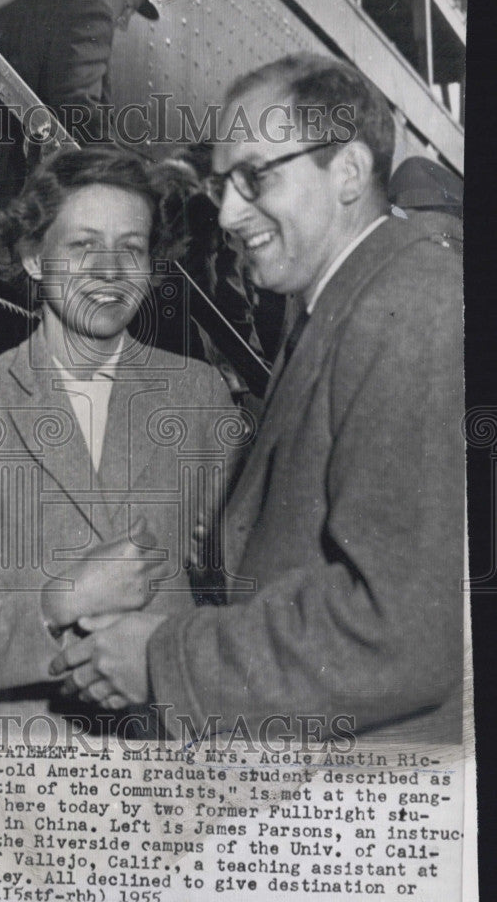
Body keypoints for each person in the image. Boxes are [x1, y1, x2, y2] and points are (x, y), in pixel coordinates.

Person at [52, 54, 465, 746]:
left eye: (254, 177)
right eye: (220, 183)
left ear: (349, 172)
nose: (229, 211)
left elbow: (401, 629)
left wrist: (164, 658)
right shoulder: (349, 299)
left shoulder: (409, 308)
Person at [0, 147, 242, 738]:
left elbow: (230, 598)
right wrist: (60, 600)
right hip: (8, 774)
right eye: (83, 245)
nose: (110, 271)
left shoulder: (200, 397)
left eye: (131, 248)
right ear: (34, 258)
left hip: (156, 766)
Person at [0, 0, 168, 365]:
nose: (124, 21)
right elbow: (78, 117)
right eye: (129, 6)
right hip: (10, 231)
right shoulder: (87, 11)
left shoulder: (23, 7)